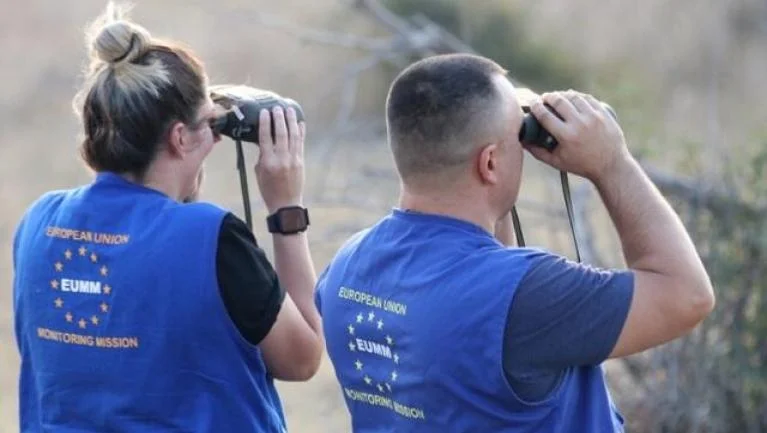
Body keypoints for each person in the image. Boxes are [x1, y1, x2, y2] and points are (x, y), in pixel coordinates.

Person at [314, 53, 715, 432]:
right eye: (517, 135)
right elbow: (686, 295)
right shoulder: (528, 296)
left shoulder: (345, 268)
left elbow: (471, 302)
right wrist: (612, 162)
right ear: (489, 162)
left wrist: (498, 135)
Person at [12, 4, 322, 432]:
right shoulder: (210, 237)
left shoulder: (38, 222)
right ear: (180, 137)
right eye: (211, 126)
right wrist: (286, 208)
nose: (215, 139)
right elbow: (302, 358)